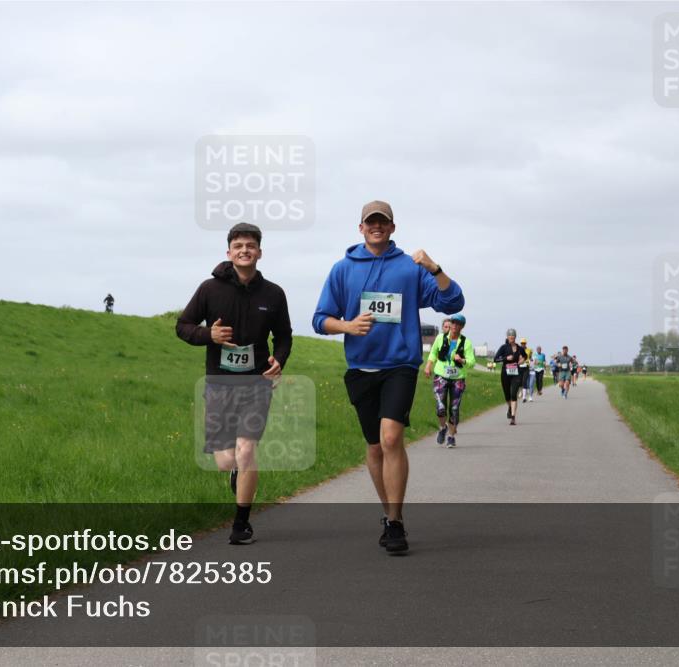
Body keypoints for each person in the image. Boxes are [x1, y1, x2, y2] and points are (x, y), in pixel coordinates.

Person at [313, 200, 464, 554]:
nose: (376, 227)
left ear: (393, 228)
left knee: (392, 437)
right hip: (360, 368)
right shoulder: (342, 269)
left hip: (400, 365)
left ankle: (396, 522)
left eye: (383, 222)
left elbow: (452, 302)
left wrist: (435, 267)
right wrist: (347, 325)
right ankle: (387, 512)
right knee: (375, 446)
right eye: (370, 222)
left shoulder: (409, 269)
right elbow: (320, 319)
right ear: (361, 228)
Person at [176, 222, 292, 545]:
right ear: (229, 252)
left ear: (259, 252)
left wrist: (279, 360)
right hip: (220, 384)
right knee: (226, 459)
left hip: (256, 384)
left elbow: (283, 336)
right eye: (238, 245)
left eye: (250, 245)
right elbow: (182, 326)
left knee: (246, 451)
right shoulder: (209, 290)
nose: (245, 250)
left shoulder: (274, 294)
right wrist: (207, 335)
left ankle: (241, 523)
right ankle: (235, 475)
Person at [423, 314, 475, 448]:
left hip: (458, 378)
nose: (454, 326)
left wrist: (462, 360)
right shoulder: (440, 338)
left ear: (462, 327)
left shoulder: (466, 342)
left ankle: (451, 437)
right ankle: (442, 428)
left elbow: (472, 362)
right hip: (441, 375)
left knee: (454, 408)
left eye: (458, 324)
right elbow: (433, 353)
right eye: (453, 323)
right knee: (441, 407)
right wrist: (428, 366)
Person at [494, 329, 528, 425]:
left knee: (513, 394)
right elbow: (495, 359)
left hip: (515, 373)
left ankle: (513, 417)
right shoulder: (503, 348)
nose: (511, 338)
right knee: (507, 395)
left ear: (515, 337)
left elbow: (525, 356)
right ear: (507, 337)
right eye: (510, 337)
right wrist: (506, 358)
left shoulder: (519, 348)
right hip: (505, 373)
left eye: (513, 337)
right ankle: (509, 407)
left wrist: (521, 361)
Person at [518, 337, 533, 402]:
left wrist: (530, 360)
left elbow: (530, 357)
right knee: (519, 381)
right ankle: (520, 391)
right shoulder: (518, 350)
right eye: (522, 343)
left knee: (524, 381)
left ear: (525, 344)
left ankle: (524, 397)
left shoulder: (529, 350)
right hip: (520, 367)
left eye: (524, 343)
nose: (523, 344)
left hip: (526, 367)